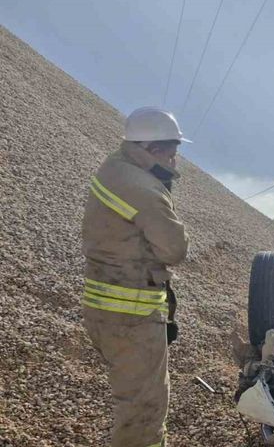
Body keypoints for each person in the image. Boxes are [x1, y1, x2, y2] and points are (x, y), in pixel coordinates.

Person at [82, 106, 190, 447]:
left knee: (133, 399)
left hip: (106, 309)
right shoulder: (144, 188)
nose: (175, 156)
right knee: (144, 408)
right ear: (151, 147)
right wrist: (163, 187)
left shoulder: (114, 167)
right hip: (132, 317)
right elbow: (175, 249)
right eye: (171, 147)